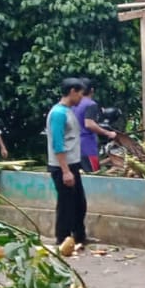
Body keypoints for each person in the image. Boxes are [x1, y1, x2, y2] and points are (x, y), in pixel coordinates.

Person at [47, 78, 88, 251]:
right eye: (80, 93)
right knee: (66, 204)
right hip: (63, 166)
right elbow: (58, 143)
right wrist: (65, 171)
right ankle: (62, 239)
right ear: (72, 91)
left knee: (79, 203)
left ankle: (79, 237)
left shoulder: (68, 111)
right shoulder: (58, 114)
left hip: (72, 164)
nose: (81, 97)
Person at [74, 79, 118, 172]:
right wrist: (108, 133)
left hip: (72, 146)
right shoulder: (90, 104)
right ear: (92, 90)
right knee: (92, 175)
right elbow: (89, 124)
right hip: (87, 146)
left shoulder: (73, 104)